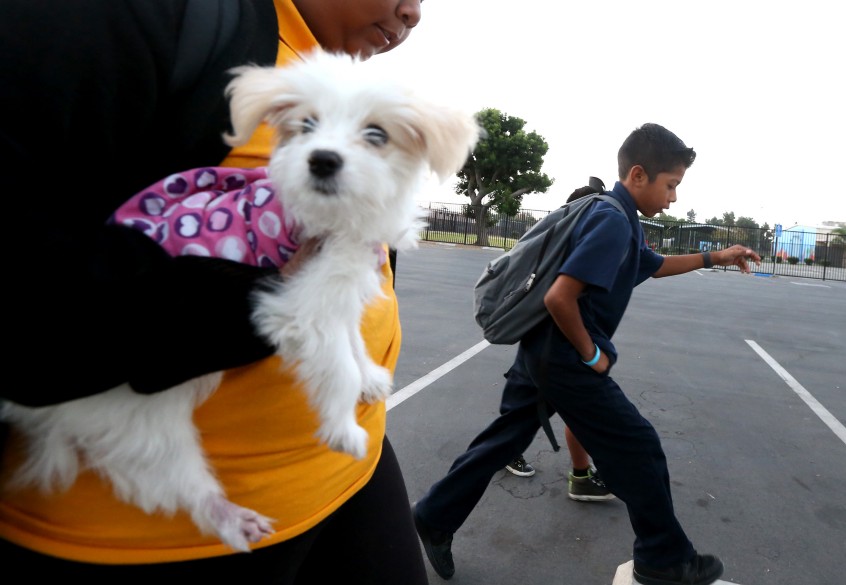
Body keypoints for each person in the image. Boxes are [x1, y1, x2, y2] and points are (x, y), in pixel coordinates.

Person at [1, 1, 431, 582]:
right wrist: (265, 300)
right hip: (152, 535)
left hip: (352, 473)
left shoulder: (341, 75)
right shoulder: (135, 19)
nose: (413, 12)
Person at [413, 123, 761, 585]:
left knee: (504, 440)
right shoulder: (614, 221)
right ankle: (664, 559)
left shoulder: (617, 216)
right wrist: (592, 353)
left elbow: (653, 267)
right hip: (564, 356)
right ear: (639, 175)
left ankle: (434, 515)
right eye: (671, 185)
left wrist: (716, 257)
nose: (674, 198)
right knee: (638, 446)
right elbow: (561, 297)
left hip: (540, 347)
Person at [504, 182, 616, 503]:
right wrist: (588, 352)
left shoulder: (569, 242)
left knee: (527, 408)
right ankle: (579, 477)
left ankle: (576, 475)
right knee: (574, 409)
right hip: (552, 347)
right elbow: (559, 300)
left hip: (547, 345)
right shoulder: (566, 246)